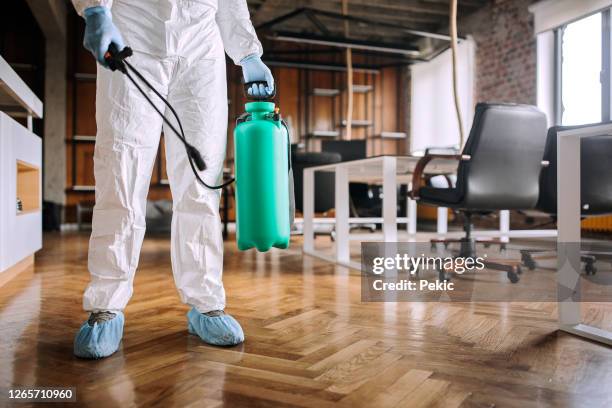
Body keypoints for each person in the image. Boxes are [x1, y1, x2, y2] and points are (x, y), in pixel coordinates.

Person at [71, 0, 274, 359]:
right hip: (133, 30)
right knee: (121, 173)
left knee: (201, 184)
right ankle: (106, 305)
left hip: (201, 45)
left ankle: (206, 302)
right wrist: (95, 9)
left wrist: (247, 55)